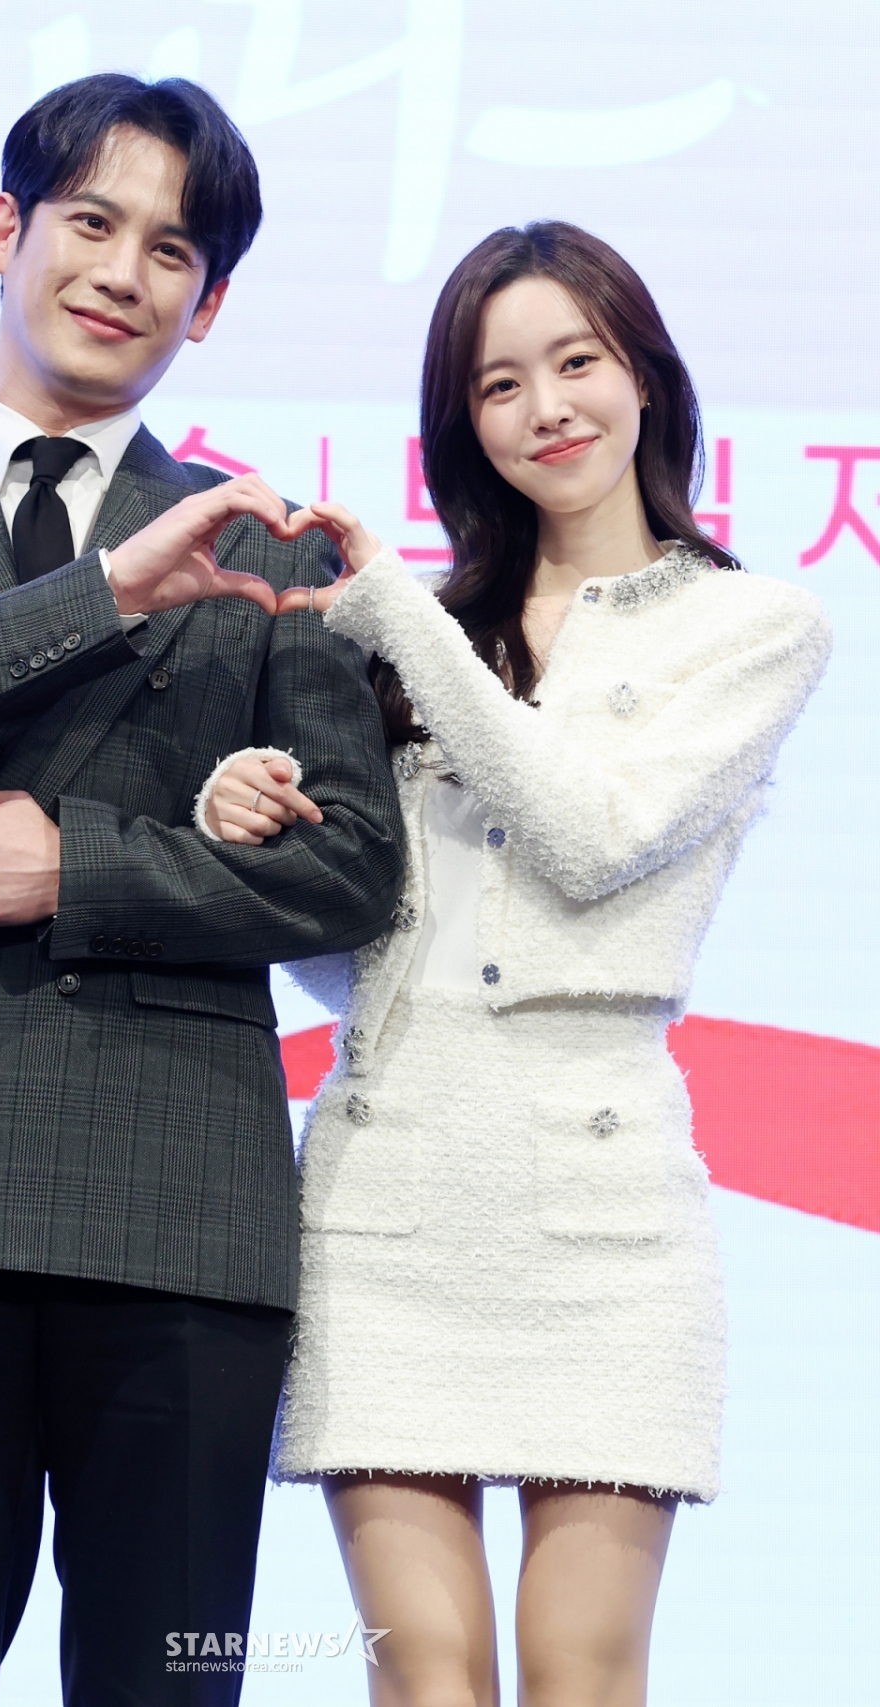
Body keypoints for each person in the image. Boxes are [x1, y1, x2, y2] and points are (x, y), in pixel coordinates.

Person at [0, 74, 402, 1706]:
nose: (121, 273)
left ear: (209, 302)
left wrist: (82, 868)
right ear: (1, 231)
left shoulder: (278, 550)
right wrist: (104, 593)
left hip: (178, 1199)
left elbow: (350, 868)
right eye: (91, 222)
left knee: (171, 1680)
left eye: (172, 250)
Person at [199, 221, 832, 1706]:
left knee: (579, 1676)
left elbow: (595, 839)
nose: (548, 408)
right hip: (387, 1192)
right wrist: (254, 830)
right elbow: (372, 962)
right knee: (423, 1681)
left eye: (577, 362)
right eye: (499, 384)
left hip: (602, 1211)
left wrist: (399, 623)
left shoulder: (755, 625)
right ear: (463, 424)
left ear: (644, 377)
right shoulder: (420, 639)